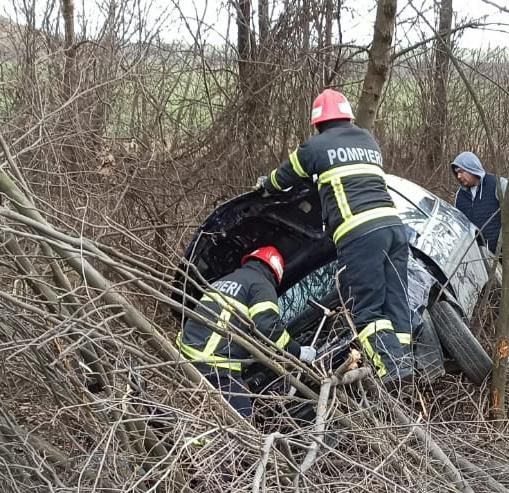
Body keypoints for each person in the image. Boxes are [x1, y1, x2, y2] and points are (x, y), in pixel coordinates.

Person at [255, 89, 413, 383]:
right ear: (348, 116)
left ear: (317, 123)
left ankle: (390, 369)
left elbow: (283, 177)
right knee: (397, 301)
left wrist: (266, 185)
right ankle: (407, 363)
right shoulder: (368, 140)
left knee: (368, 309)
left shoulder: (316, 146)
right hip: (394, 228)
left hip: (360, 233)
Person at [177, 246, 316, 418]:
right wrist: (297, 351)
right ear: (275, 273)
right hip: (213, 362)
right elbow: (268, 326)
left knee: (202, 413)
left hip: (184, 353)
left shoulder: (227, 279)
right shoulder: (261, 285)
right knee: (242, 420)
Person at [450, 151, 509, 257]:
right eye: (457, 173)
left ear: (472, 168)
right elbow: (458, 225)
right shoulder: (460, 195)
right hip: (473, 258)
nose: (459, 176)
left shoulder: (498, 185)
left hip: (500, 256)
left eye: (461, 171)